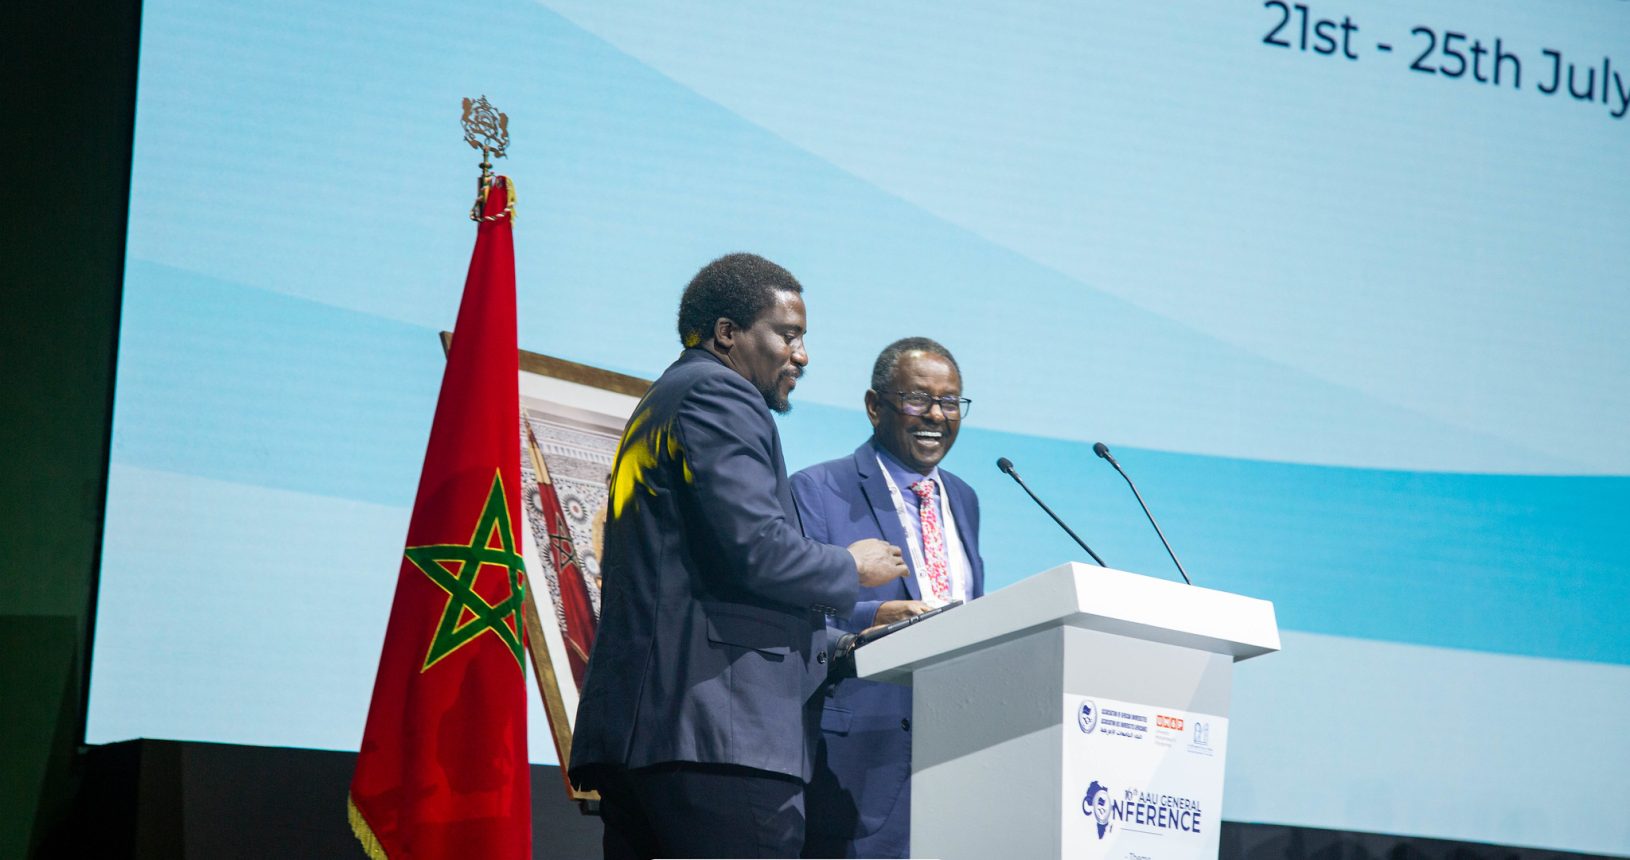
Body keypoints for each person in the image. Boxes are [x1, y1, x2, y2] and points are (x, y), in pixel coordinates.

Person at [568, 253, 910, 859]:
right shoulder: (719, 393)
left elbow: (702, 583)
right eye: (789, 335)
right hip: (717, 744)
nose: (802, 355)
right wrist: (853, 567)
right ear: (728, 332)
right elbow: (757, 550)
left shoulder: (664, 399)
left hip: (659, 743)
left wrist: (845, 640)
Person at [791, 337, 986, 859]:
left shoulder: (964, 498)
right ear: (875, 406)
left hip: (952, 757)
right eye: (918, 398)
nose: (936, 415)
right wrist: (878, 615)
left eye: (950, 402)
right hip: (856, 762)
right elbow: (796, 615)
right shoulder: (817, 489)